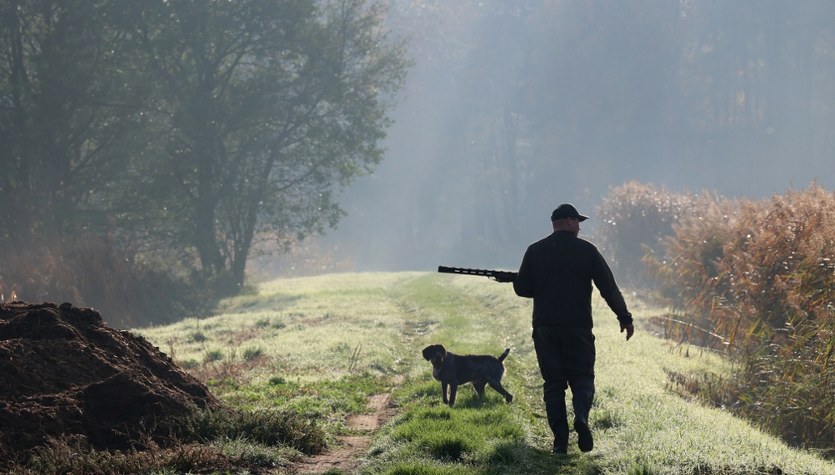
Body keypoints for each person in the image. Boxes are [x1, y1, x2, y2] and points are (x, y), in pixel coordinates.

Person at [513, 203, 634, 454]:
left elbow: (522, 288)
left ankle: (560, 442)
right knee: (583, 378)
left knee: (553, 384)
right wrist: (624, 316)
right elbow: (608, 288)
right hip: (578, 327)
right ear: (568, 221)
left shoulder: (535, 250)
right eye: (577, 221)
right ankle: (581, 417)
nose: (579, 226)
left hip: (545, 327)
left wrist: (543, 284)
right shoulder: (588, 251)